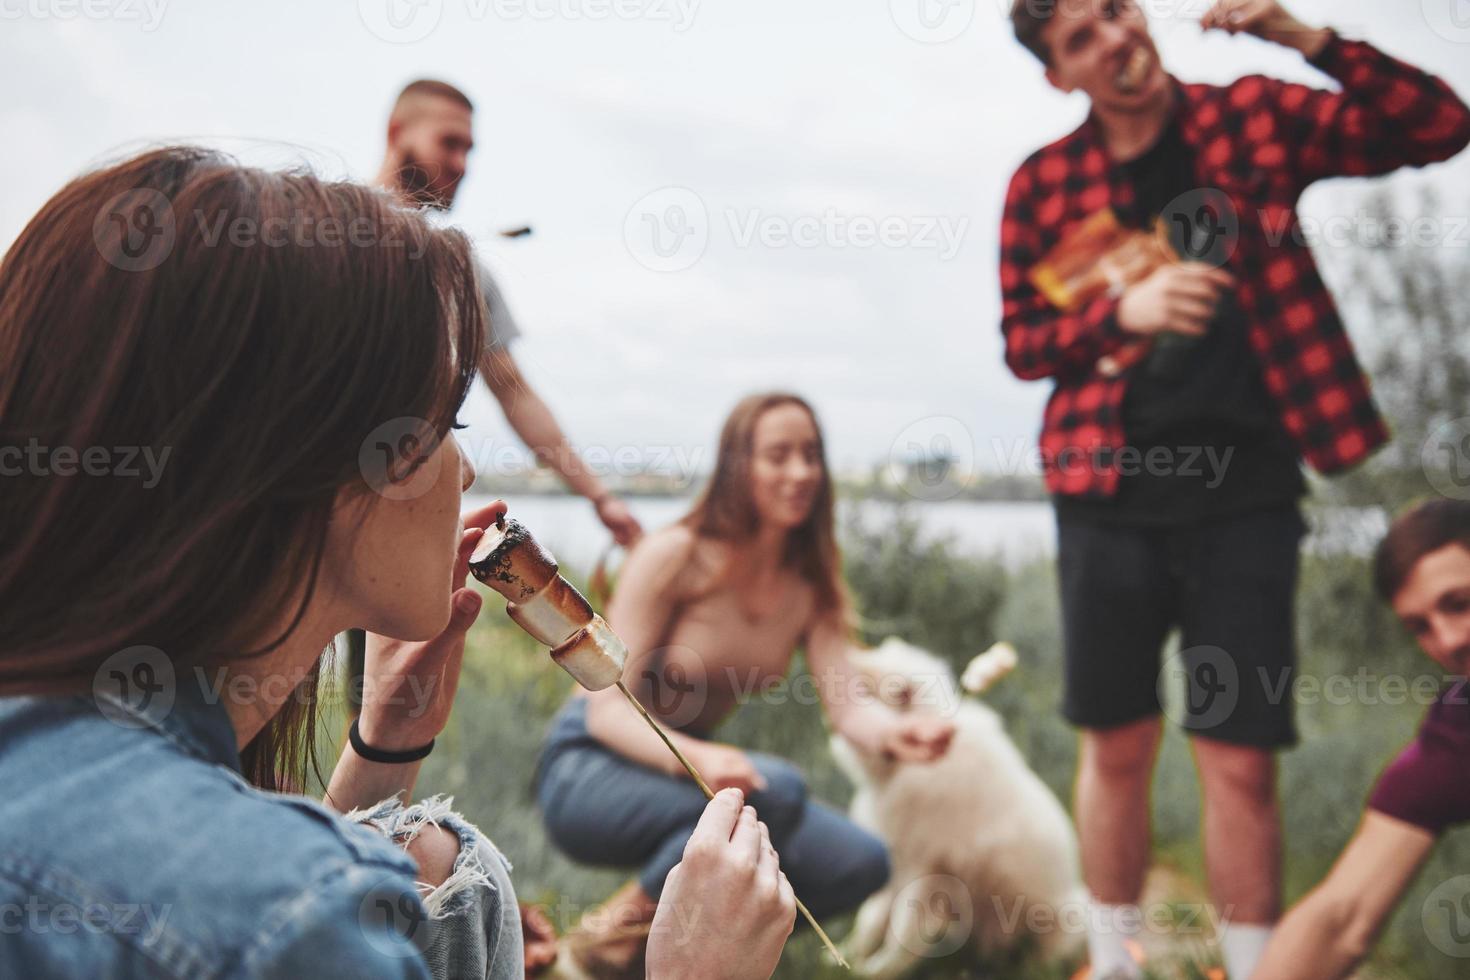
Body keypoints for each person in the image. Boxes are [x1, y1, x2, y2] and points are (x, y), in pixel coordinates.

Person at [0, 147, 793, 979]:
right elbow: (256, 912)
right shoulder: (275, 917)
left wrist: (383, 751)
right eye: (446, 422)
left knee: (432, 853)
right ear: (313, 458)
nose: (467, 471)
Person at [998, 2, 1470, 977]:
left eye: (1116, 10)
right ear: (1059, 75)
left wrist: (1306, 39)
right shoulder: (1044, 184)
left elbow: (1439, 125)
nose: (1115, 38)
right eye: (1081, 37)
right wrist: (1118, 310)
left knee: (1242, 752)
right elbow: (1022, 343)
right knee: (1118, 744)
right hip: (1106, 489)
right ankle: (1117, 963)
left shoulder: (1251, 116)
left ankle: (1251, 970)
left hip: (1248, 487)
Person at [533, 392, 956, 977]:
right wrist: (703, 759)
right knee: (775, 788)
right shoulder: (672, 555)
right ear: (738, 466)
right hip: (592, 765)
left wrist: (898, 735)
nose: (801, 472)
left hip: (698, 779)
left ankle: (655, 958)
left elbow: (849, 706)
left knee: (859, 860)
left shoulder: (810, 583)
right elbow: (605, 710)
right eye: (778, 455)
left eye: (811, 455)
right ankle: (600, 948)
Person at [375, 78, 643, 546]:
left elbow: (514, 393)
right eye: (449, 143)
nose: (461, 165)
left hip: (400, 531)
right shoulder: (320, 238)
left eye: (470, 150)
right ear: (397, 132)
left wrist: (600, 498)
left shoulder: (465, 273)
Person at [1253, 499, 1470, 979]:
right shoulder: (1460, 731)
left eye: (1459, 603)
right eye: (1421, 627)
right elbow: (1341, 917)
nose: (1449, 640)